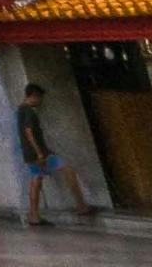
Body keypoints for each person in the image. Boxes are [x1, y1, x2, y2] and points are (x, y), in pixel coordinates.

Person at [18, 80, 99, 225]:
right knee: (67, 170)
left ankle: (33, 214)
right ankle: (80, 206)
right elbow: (29, 133)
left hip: (31, 154)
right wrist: (40, 153)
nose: (40, 101)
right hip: (38, 154)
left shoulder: (20, 110)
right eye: (39, 98)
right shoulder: (29, 112)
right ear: (34, 96)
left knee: (37, 180)